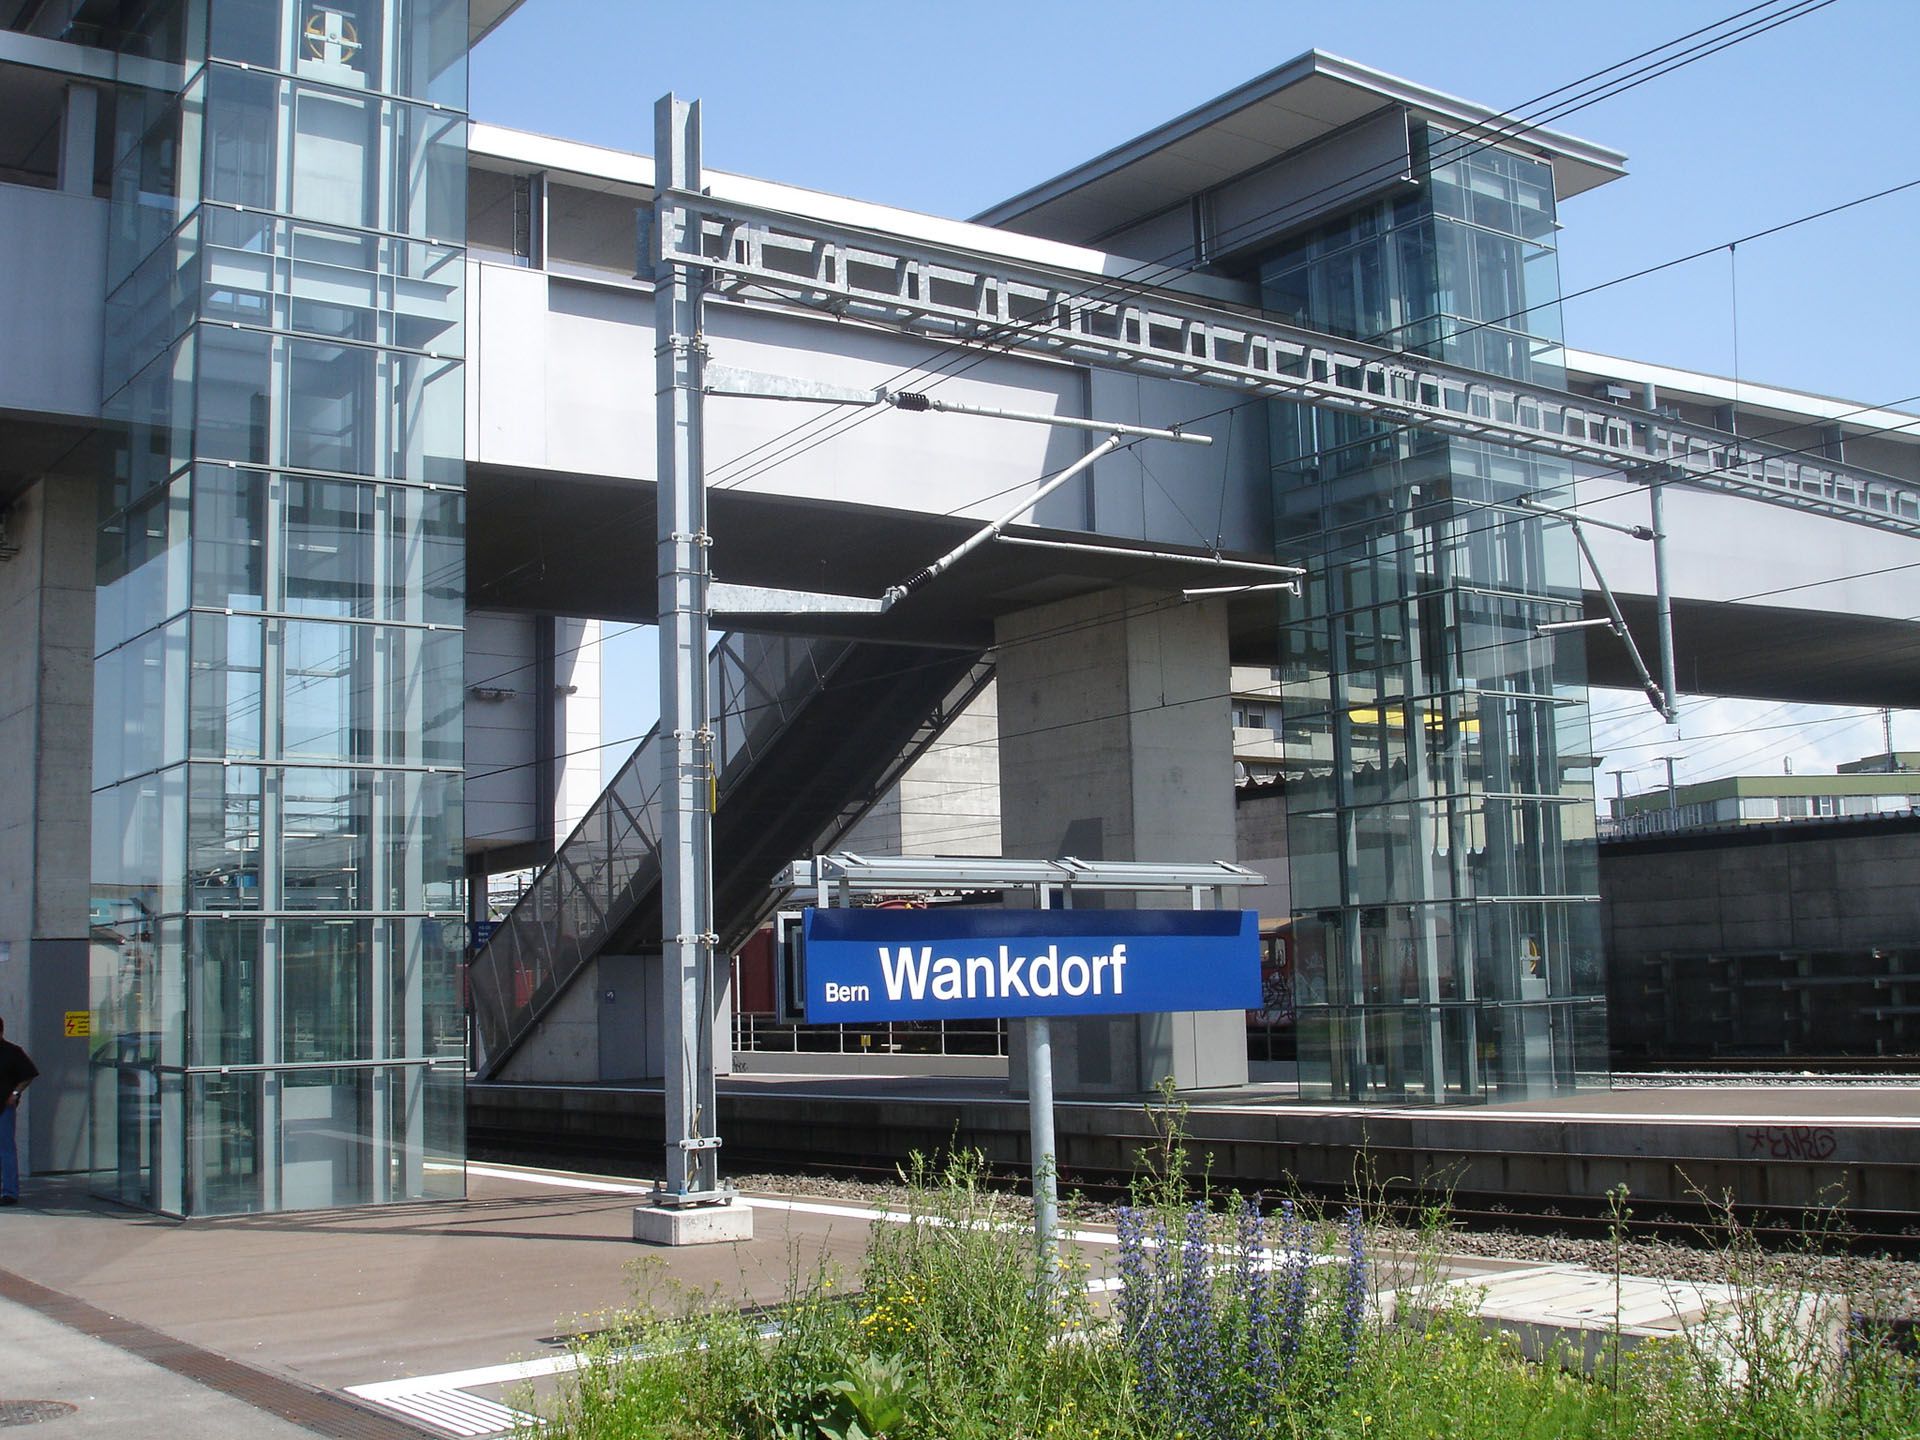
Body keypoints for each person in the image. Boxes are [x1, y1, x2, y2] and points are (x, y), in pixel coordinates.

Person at [0, 1016, 37, 1207]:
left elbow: (28, 1074)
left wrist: (15, 1093)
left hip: (4, 1107)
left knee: (6, 1149)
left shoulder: (12, 1052)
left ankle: (9, 1192)